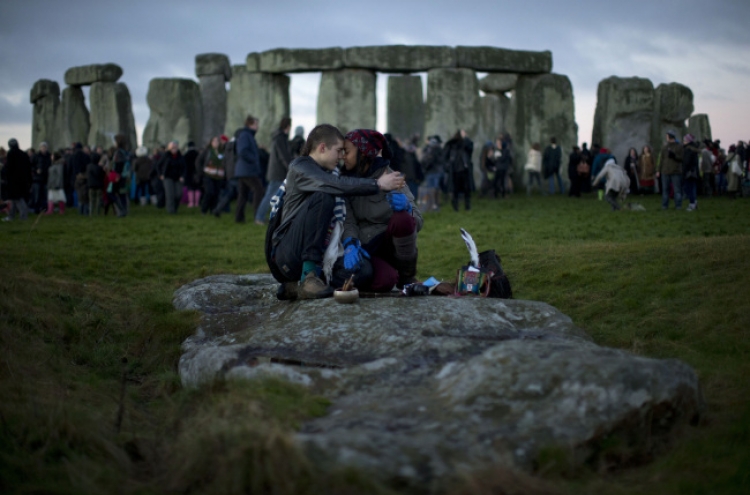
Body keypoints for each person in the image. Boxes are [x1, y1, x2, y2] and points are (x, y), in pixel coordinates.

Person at [266, 124, 405, 300]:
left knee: (364, 271)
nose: (341, 157)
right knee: (325, 195)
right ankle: (309, 276)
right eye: (339, 150)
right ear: (322, 147)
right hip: (289, 255)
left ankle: (295, 288)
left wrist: (350, 244)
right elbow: (330, 185)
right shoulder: (300, 166)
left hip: (322, 254)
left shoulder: (332, 174)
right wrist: (377, 184)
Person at [332, 129, 423, 293]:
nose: (342, 156)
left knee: (403, 219)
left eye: (347, 151)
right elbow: (349, 220)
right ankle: (389, 274)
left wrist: (408, 209)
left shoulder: (392, 177)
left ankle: (407, 276)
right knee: (385, 282)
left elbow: (417, 220)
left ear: (364, 153)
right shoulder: (346, 181)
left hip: (392, 245)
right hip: (367, 248)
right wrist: (350, 243)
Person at [256, 118, 293, 224]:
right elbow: (283, 156)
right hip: (277, 172)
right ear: (288, 126)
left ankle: (276, 217)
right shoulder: (280, 138)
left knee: (278, 196)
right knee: (270, 195)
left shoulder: (279, 137)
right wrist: (290, 167)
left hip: (277, 171)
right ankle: (259, 217)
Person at [233, 115, 265, 224]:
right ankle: (257, 216)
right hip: (247, 170)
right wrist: (254, 159)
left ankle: (239, 218)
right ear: (250, 124)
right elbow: (242, 151)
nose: (258, 126)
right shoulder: (245, 135)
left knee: (243, 195)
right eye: (256, 124)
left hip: (244, 169)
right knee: (259, 190)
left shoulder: (247, 135)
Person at [443, 129, 473, 211]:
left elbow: (470, 147)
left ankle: (467, 207)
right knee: (455, 190)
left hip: (463, 170)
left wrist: (465, 138)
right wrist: (448, 166)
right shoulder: (451, 145)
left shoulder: (465, 144)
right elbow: (445, 155)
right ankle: (456, 207)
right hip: (455, 171)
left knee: (466, 190)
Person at [3, 138, 32, 221]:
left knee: (18, 199)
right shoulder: (23, 154)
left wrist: (4, 173)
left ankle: (23, 216)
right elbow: (28, 168)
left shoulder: (11, 154)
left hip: (14, 180)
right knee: (13, 200)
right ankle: (11, 216)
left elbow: (9, 168)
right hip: (23, 180)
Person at [197, 136, 226, 215]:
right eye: (214, 141)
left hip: (219, 176)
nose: (216, 143)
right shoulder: (207, 151)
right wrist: (201, 171)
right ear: (211, 142)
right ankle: (204, 210)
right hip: (208, 175)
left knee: (216, 194)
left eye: (217, 141)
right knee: (209, 192)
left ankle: (213, 210)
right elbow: (199, 161)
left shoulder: (222, 152)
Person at [657, 131, 684, 210]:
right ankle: (664, 206)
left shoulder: (679, 146)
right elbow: (661, 159)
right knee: (665, 190)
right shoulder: (664, 147)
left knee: (677, 190)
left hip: (675, 171)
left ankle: (678, 206)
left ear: (670, 137)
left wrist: (674, 156)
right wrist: (659, 170)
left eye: (667, 136)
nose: (666, 137)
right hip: (665, 171)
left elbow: (682, 158)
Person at [158, 141, 186, 214]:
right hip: (168, 177)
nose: (174, 149)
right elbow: (158, 165)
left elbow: (184, 167)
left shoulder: (181, 157)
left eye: (175, 147)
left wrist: (182, 176)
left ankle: (175, 207)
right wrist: (161, 174)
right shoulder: (165, 156)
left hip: (178, 177)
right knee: (170, 194)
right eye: (172, 147)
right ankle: (171, 210)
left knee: (179, 194)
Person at [419, 135, 444, 211]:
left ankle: (432, 205)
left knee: (432, 189)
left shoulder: (430, 151)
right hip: (435, 172)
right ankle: (434, 205)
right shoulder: (438, 150)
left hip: (432, 172)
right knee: (434, 189)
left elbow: (425, 161)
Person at [681, 134, 700, 210]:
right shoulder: (693, 149)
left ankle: (692, 203)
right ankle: (694, 202)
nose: (683, 141)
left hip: (689, 171)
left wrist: (684, 171)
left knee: (688, 188)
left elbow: (686, 162)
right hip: (693, 171)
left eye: (685, 140)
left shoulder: (688, 150)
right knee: (692, 188)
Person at [30, 142, 50, 213]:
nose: (43, 149)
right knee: (37, 195)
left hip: (46, 178)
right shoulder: (36, 156)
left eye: (45, 147)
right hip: (37, 178)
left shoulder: (49, 156)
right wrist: (36, 170)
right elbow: (31, 166)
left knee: (45, 194)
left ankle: (44, 208)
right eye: (42, 147)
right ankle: (37, 209)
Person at [183, 141, 201, 208]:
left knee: (190, 188)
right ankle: (197, 203)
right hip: (197, 173)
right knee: (197, 188)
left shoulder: (186, 155)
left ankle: (191, 203)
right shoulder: (197, 154)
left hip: (189, 173)